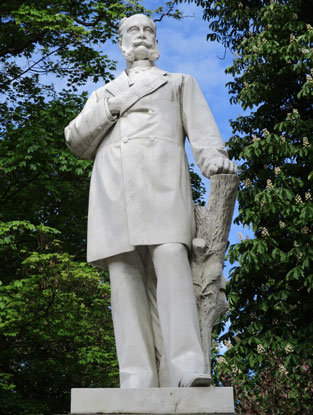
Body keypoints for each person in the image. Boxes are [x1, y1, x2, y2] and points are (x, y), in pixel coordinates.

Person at [64, 14, 237, 388]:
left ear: (156, 39)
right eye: (133, 30)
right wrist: (112, 107)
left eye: (148, 30)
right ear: (121, 40)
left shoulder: (178, 83)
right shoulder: (104, 93)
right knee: (124, 278)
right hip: (113, 193)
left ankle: (187, 366)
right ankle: (136, 376)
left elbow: (205, 136)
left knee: (172, 260)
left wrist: (213, 160)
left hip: (162, 187)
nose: (141, 36)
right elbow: (76, 140)